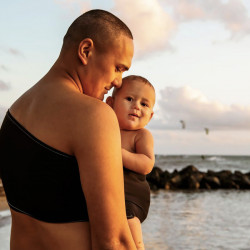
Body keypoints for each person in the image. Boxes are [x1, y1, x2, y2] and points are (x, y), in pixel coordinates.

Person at [0, 9, 137, 250]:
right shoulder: (93, 115)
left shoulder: (13, 115)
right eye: (118, 68)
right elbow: (114, 241)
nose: (118, 82)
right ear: (86, 51)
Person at [106, 75, 155, 249]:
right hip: (111, 192)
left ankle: (138, 246)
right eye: (129, 99)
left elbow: (147, 164)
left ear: (150, 116)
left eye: (144, 104)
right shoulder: (105, 128)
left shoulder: (141, 135)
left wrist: (116, 153)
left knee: (128, 219)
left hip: (133, 196)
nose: (136, 106)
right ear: (110, 103)